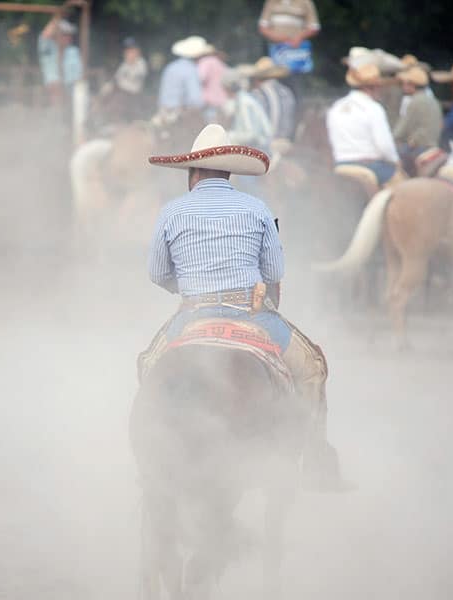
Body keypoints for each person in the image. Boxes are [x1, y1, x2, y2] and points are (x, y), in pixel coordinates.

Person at [144, 123, 347, 489]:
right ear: (228, 172)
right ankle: (316, 460)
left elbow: (158, 273)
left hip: (192, 313)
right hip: (253, 314)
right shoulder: (256, 209)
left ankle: (149, 454)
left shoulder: (172, 212)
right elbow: (274, 271)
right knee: (313, 367)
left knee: (148, 366)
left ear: (192, 173)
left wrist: (188, 288)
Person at [326, 63, 400, 185]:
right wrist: (395, 160)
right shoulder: (373, 108)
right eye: (379, 87)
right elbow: (384, 145)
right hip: (371, 166)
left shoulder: (336, 107)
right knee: (404, 189)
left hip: (341, 164)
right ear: (371, 88)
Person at [392, 66, 442, 175]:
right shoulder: (433, 100)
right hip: (433, 145)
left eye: (405, 83)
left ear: (412, 85)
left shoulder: (415, 102)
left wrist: (391, 138)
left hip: (419, 148)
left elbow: (401, 130)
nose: (403, 86)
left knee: (391, 161)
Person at [258, 0, 320, 75]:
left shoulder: (305, 2)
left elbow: (314, 27)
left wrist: (299, 37)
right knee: (272, 76)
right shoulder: (271, 2)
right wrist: (277, 37)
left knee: (296, 77)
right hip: (274, 50)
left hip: (296, 52)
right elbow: (263, 26)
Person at [156, 35, 206, 124]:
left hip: (163, 112)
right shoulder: (191, 70)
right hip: (179, 116)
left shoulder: (170, 67)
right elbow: (195, 100)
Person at [221, 69, 273, 150]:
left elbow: (251, 135)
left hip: (261, 148)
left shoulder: (244, 103)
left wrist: (227, 135)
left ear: (228, 88)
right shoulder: (241, 100)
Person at [250, 57, 298, 142]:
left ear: (257, 78)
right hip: (284, 142)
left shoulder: (257, 94)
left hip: (264, 144)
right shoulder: (286, 92)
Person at [38, 14, 82, 106]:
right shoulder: (48, 49)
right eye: (64, 34)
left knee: (78, 90)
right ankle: (56, 113)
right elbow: (44, 35)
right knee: (56, 87)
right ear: (57, 35)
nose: (68, 37)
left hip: (70, 88)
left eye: (69, 35)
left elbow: (78, 75)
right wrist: (57, 18)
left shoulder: (73, 52)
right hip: (53, 87)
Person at [110, 37, 148, 121]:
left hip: (133, 92)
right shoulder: (124, 64)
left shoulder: (141, 63)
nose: (127, 52)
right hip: (121, 90)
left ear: (136, 51)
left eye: (130, 49)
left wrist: (131, 63)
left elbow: (137, 76)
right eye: (127, 50)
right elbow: (117, 77)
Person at [196, 45, 229, 121]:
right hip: (222, 101)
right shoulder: (221, 64)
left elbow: (200, 78)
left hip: (209, 102)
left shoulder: (205, 62)